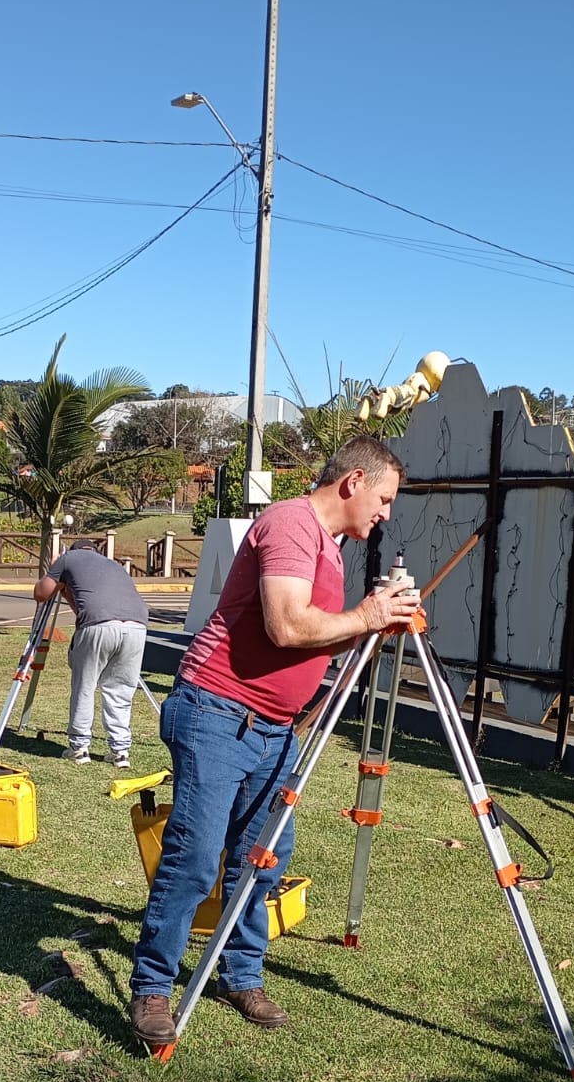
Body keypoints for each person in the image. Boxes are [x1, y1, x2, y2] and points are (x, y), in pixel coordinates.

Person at [127, 436, 421, 1046]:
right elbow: (286, 626)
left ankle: (241, 975)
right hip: (217, 711)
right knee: (196, 854)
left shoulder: (333, 549)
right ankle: (154, 988)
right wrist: (366, 616)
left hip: (273, 728)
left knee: (263, 858)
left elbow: (315, 637)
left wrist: (375, 626)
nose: (386, 513)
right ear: (353, 482)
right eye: (385, 499)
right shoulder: (290, 523)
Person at [32, 539, 149, 767]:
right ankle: (120, 751)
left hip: (98, 626)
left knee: (84, 686)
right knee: (120, 690)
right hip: (137, 627)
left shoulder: (67, 559)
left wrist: (55, 570)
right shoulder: (113, 564)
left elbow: (40, 593)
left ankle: (79, 747)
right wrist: (67, 591)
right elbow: (85, 606)